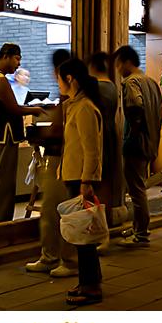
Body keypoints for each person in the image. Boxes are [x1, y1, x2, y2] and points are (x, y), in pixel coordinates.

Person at [25, 49, 78, 277]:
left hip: (63, 159)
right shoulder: (73, 97)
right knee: (56, 209)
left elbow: (62, 129)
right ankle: (55, 256)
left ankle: (61, 258)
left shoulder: (73, 99)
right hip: (64, 158)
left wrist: (43, 134)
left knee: (56, 209)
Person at [57, 58, 104, 305]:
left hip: (80, 178)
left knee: (84, 235)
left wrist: (87, 180)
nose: (58, 83)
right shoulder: (74, 106)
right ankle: (88, 281)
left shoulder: (85, 107)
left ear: (70, 79)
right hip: (73, 175)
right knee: (81, 234)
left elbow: (91, 149)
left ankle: (91, 286)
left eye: (59, 78)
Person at [0, 43, 43, 225]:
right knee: (3, 183)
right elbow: (14, 108)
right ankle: (0, 223)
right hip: (4, 136)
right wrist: (37, 109)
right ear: (6, 56)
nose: (18, 64)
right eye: (17, 58)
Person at [113, 45, 162, 247]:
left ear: (127, 62)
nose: (117, 69)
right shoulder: (152, 82)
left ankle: (141, 234)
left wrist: (132, 134)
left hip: (135, 143)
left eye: (118, 64)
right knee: (139, 187)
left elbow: (135, 107)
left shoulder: (131, 82)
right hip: (151, 142)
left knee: (136, 190)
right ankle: (138, 228)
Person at [87, 52, 125, 249]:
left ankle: (100, 233)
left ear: (92, 67)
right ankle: (104, 231)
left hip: (99, 137)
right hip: (110, 136)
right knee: (106, 186)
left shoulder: (97, 88)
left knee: (98, 187)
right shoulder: (111, 86)